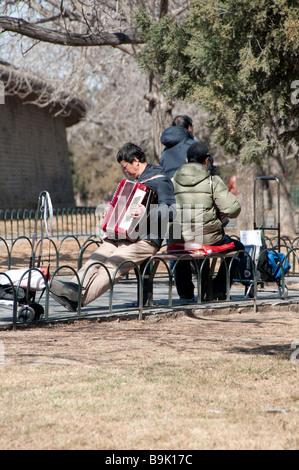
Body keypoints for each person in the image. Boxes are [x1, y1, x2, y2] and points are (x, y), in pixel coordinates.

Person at [50, 143, 176, 311]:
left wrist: (147, 212)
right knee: (96, 258)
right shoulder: (134, 182)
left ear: (136, 161)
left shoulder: (160, 180)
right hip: (122, 237)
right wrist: (111, 212)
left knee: (113, 264)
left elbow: (171, 211)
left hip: (146, 240)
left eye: (125, 167)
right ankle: (71, 289)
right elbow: (124, 209)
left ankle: (78, 300)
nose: (124, 171)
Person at [170, 141, 244, 300]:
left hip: (179, 239)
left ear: (187, 161)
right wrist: (221, 211)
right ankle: (218, 288)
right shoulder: (212, 181)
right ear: (207, 161)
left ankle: (185, 292)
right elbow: (233, 209)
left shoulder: (172, 181)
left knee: (181, 245)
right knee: (238, 247)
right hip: (207, 239)